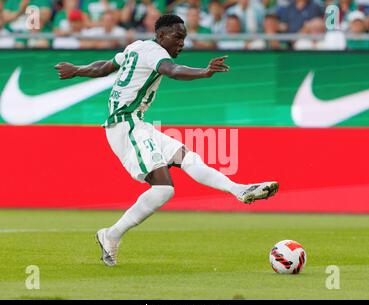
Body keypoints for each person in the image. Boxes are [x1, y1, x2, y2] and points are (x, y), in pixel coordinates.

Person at [54, 14, 279, 267]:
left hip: (137, 123)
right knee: (164, 189)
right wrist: (204, 72)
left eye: (184, 38)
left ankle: (239, 190)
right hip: (125, 125)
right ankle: (111, 234)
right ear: (160, 35)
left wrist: (76, 70)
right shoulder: (153, 52)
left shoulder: (136, 47)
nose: (181, 43)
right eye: (177, 37)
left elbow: (105, 66)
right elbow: (173, 71)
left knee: (188, 157)